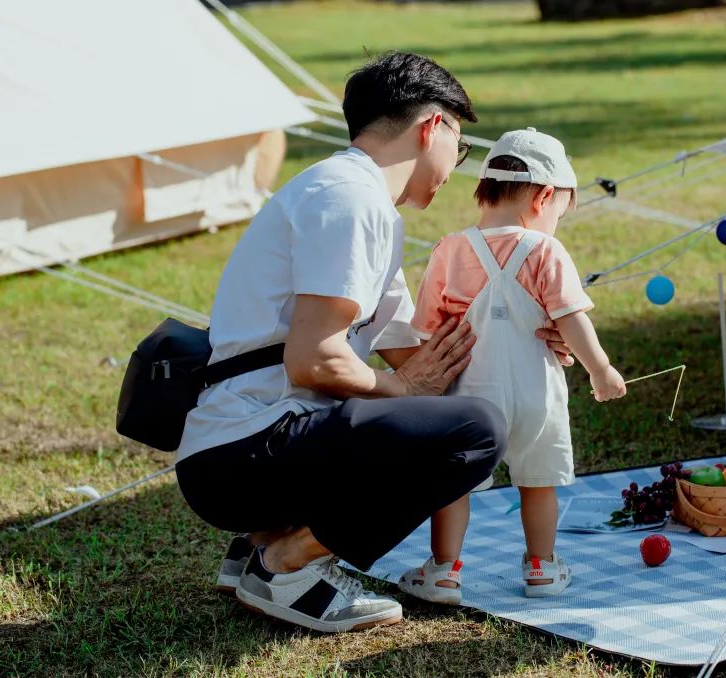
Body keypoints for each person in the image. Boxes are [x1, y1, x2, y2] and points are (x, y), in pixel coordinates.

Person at [173, 53, 572, 634]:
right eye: (458, 148)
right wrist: (401, 388)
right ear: (433, 127)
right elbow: (314, 359)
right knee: (474, 433)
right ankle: (287, 566)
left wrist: (529, 345)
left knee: (463, 416)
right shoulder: (350, 199)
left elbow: (413, 347)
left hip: (242, 447)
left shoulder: (361, 201)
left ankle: (261, 545)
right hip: (242, 453)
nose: (453, 168)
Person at [397, 128, 626, 603]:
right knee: (538, 483)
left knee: (454, 486)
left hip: (470, 399)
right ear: (545, 196)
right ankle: (542, 566)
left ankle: (444, 570)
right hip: (535, 394)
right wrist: (600, 370)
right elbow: (572, 319)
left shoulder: (450, 249)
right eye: (561, 211)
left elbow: (426, 331)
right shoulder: (546, 251)